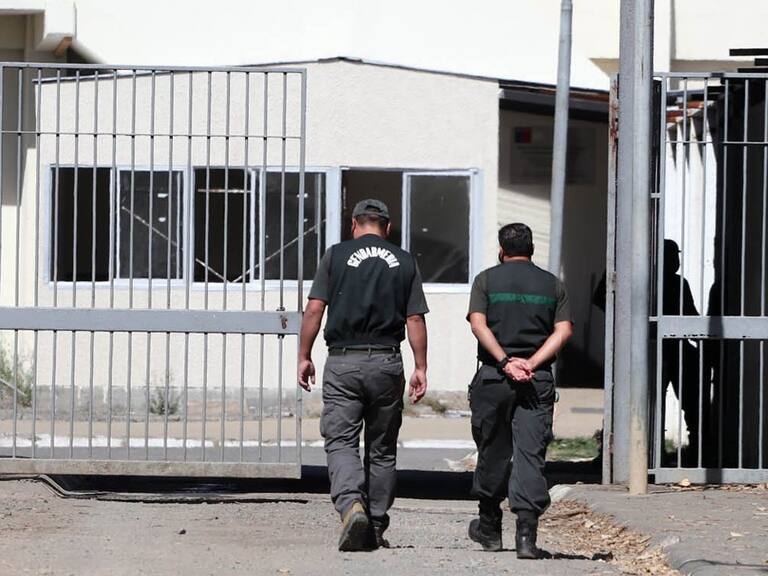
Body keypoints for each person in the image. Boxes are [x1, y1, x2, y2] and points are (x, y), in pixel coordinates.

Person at [298, 199, 429, 552]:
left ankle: (351, 505)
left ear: (354, 225)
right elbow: (415, 318)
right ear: (387, 227)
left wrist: (304, 355)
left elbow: (314, 309)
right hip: (387, 362)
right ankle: (375, 523)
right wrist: (420, 366)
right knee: (382, 449)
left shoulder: (336, 255)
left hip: (344, 362)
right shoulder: (405, 261)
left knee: (341, 441)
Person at [466, 222, 573, 559]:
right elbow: (564, 330)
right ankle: (526, 537)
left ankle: (490, 528)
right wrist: (533, 362)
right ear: (532, 250)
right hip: (536, 381)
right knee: (529, 455)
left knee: (492, 450)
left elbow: (478, 324)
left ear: (502, 249)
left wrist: (505, 362)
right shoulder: (552, 285)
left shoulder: (486, 280)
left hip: (495, 379)